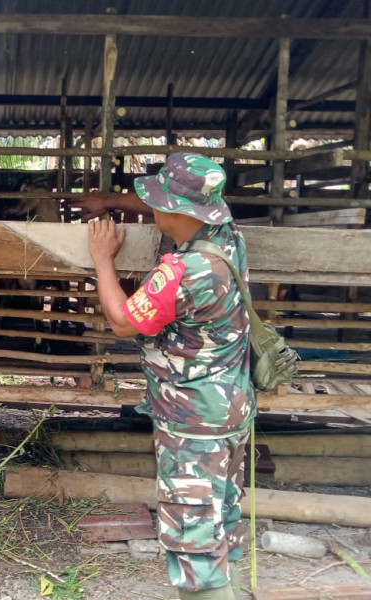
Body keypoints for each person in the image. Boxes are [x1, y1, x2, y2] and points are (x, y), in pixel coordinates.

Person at [80, 153, 255, 600]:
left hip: (192, 423)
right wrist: (111, 199)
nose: (151, 207)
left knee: (192, 538)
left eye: (158, 202)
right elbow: (174, 209)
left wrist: (103, 258)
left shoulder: (183, 272)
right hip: (232, 409)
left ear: (175, 212)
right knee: (220, 516)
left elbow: (122, 320)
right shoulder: (227, 237)